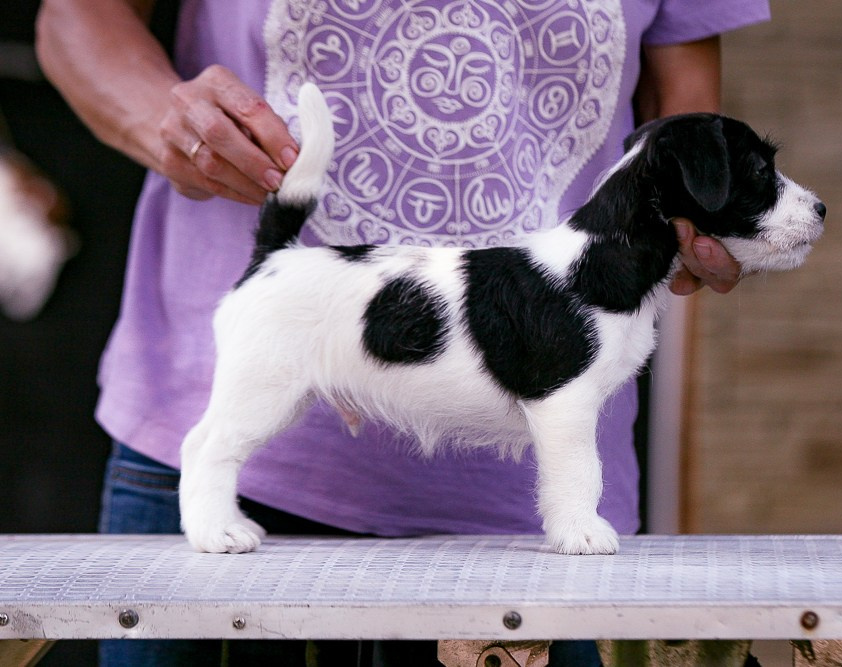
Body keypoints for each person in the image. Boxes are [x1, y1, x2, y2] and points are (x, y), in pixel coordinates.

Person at [36, 0, 770, 664]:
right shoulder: (285, 290)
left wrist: (710, 218)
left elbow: (684, 103)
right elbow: (76, 16)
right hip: (225, 415)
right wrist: (161, 116)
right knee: (243, 417)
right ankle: (207, 492)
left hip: (520, 528)